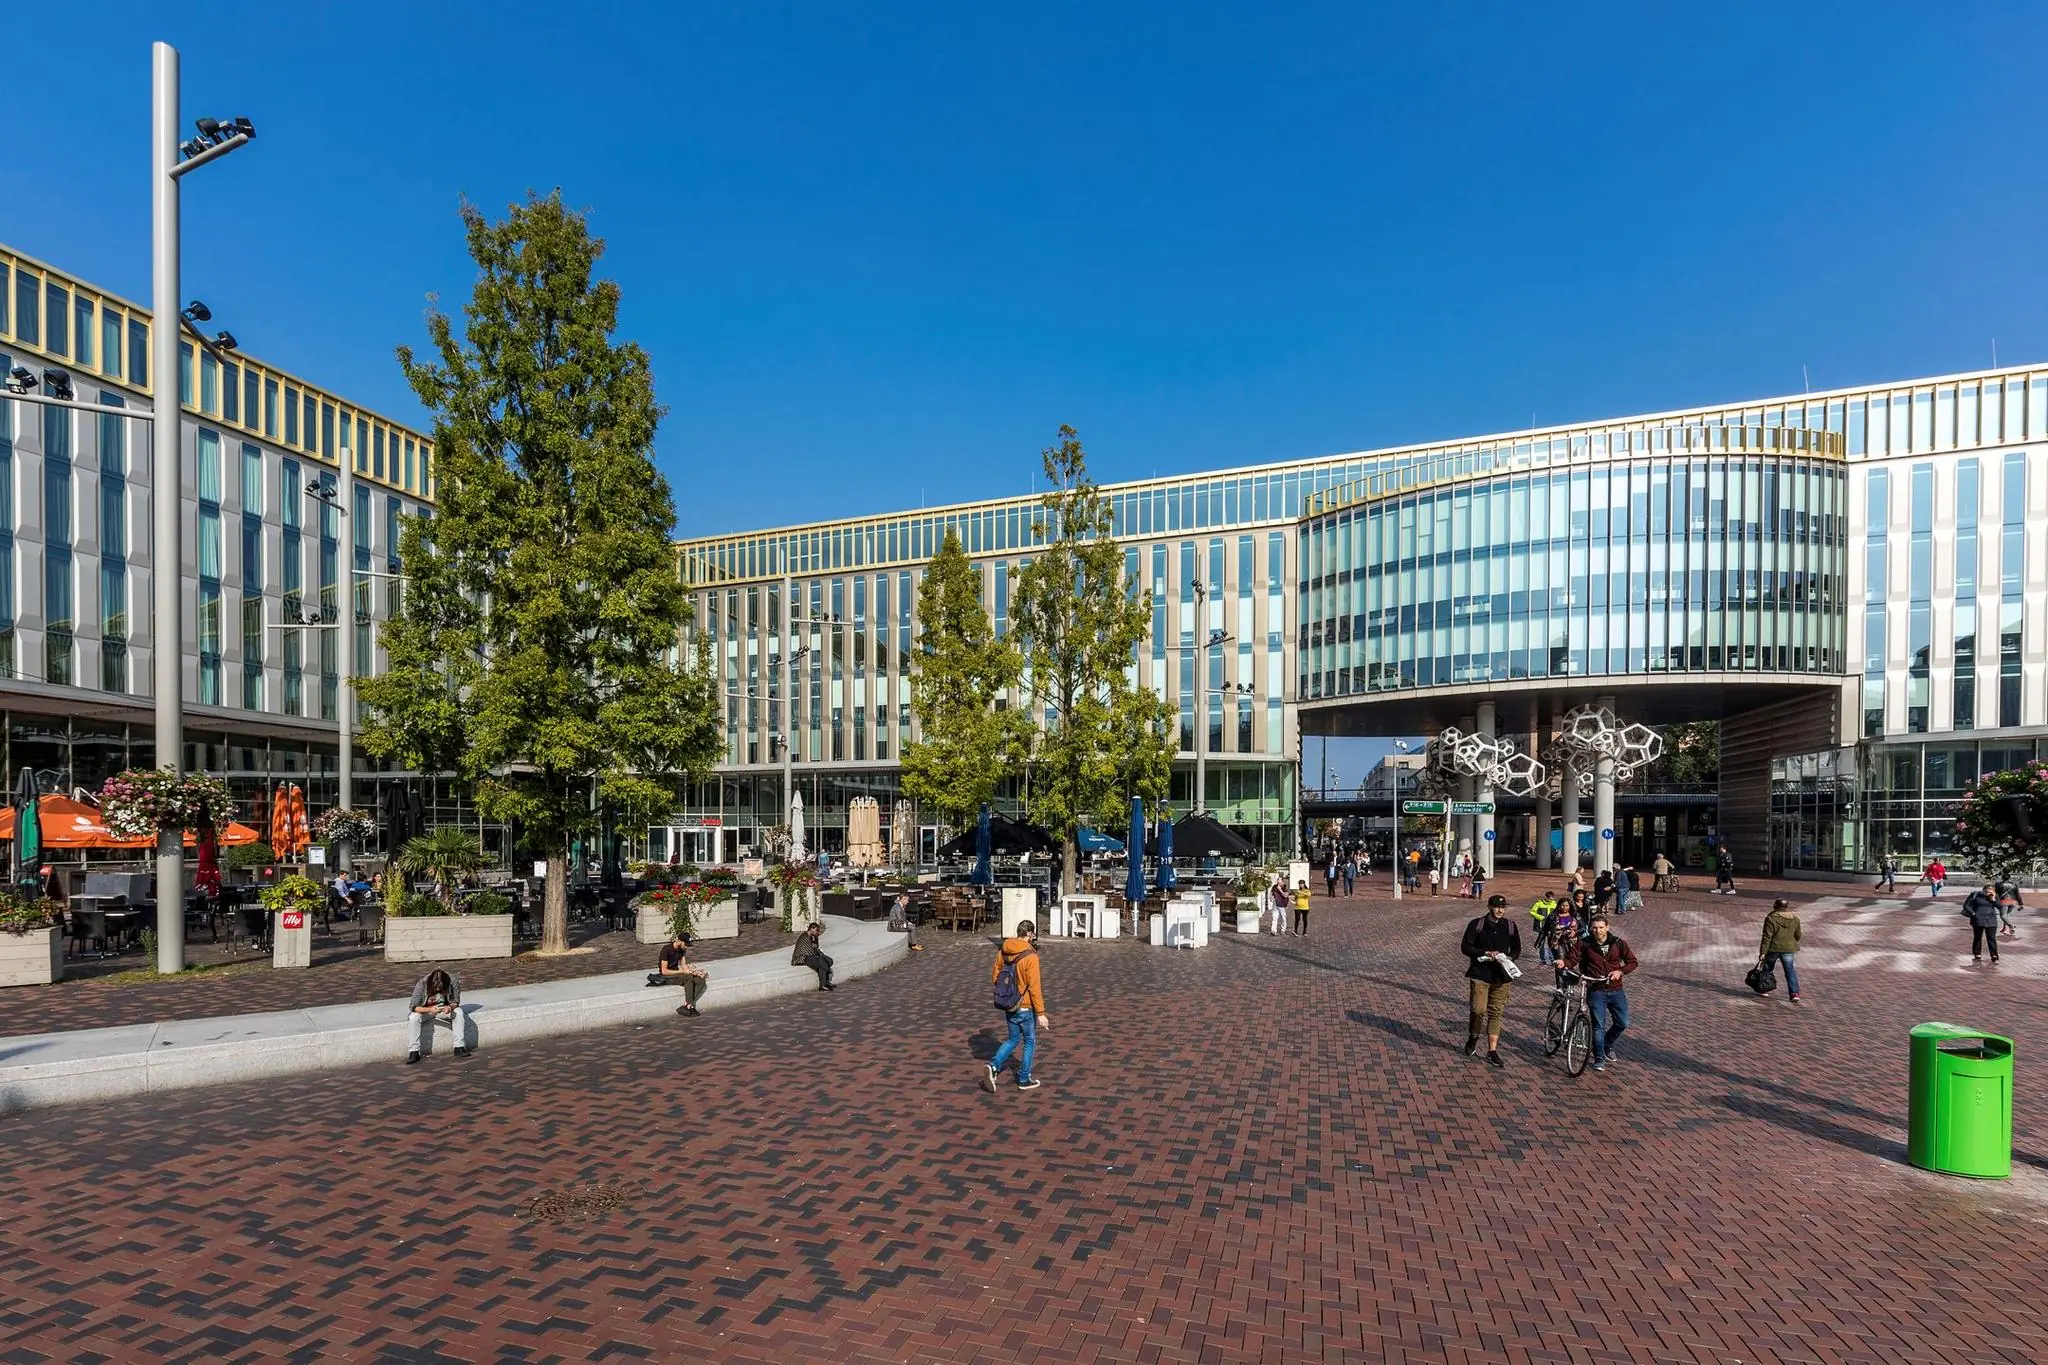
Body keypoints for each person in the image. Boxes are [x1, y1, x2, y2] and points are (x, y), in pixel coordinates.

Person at [1566, 911, 1637, 1072]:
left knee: (1623, 1022)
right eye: (1594, 928)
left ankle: (1607, 1044)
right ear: (1590, 928)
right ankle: (1599, 1057)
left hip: (1616, 989)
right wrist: (1564, 963)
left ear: (1607, 927)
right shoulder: (1584, 943)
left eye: (1601, 927)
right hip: (1595, 989)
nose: (1598, 931)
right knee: (1598, 1025)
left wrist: (1621, 971)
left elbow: (1632, 962)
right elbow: (1573, 958)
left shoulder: (1618, 943)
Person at [984, 920, 1048, 1092]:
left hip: (1008, 1003)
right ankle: (1024, 1078)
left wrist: (1007, 991)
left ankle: (994, 1066)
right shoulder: (1031, 957)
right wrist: (1041, 1012)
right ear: (1029, 934)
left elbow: (995, 976)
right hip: (1025, 1005)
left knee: (1012, 1038)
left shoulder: (1003, 951)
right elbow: (1034, 987)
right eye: (1033, 934)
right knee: (1029, 1041)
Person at [1460, 893, 1521, 1068]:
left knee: (1496, 1012)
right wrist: (1485, 953)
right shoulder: (1477, 924)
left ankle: (1492, 1050)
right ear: (1489, 907)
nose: (1500, 910)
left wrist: (1508, 958)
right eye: (1496, 906)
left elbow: (1517, 949)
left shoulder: (1510, 926)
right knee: (1478, 1010)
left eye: (1503, 907)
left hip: (1502, 976)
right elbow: (1466, 946)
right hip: (1480, 973)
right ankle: (1473, 1037)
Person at [405, 969, 472, 1064]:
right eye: (435, 988)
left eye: (440, 988)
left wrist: (450, 1007)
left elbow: (456, 1001)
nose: (437, 990)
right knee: (413, 1018)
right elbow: (413, 1007)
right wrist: (429, 1009)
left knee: (459, 1013)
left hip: (444, 1010)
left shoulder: (453, 981)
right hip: (427, 1011)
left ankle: (459, 1047)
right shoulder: (422, 984)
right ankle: (414, 1051)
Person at [646, 930, 709, 1015]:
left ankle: (687, 1004)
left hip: (677, 974)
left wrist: (694, 972)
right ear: (680, 942)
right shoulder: (666, 950)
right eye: (686, 945)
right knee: (688, 978)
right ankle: (690, 1005)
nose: (687, 947)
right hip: (667, 976)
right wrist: (684, 972)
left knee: (700, 980)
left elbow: (684, 966)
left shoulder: (682, 950)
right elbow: (664, 971)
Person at [1758, 898, 1802, 1003]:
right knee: (1789, 970)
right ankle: (1794, 993)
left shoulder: (1771, 918)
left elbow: (1767, 936)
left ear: (1776, 906)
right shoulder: (1795, 918)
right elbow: (1798, 934)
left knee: (1767, 969)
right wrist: (1791, 942)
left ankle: (1764, 988)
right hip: (1789, 948)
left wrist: (1763, 952)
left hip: (1773, 948)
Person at [1962, 882, 2002, 964]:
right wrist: (1973, 913)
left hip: (1991, 920)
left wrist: (1993, 899)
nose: (1987, 894)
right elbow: (1966, 906)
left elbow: (2000, 907)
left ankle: (1994, 955)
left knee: (1991, 938)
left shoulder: (1994, 897)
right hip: (1978, 919)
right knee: (1977, 937)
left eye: (1989, 892)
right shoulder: (1976, 895)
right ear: (1983, 890)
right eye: (1986, 892)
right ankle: (1977, 953)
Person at [792, 920, 835, 989]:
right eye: (817, 930)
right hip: (802, 958)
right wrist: (820, 955)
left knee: (829, 960)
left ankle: (826, 983)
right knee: (821, 962)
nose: (818, 932)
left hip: (810, 956)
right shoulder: (804, 937)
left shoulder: (812, 937)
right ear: (811, 929)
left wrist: (816, 939)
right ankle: (823, 984)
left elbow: (815, 948)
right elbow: (810, 952)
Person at [1528, 890, 1562, 965]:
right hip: (1541, 927)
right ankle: (1542, 959)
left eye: (1552, 898)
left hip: (1551, 927)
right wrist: (1540, 917)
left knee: (1551, 943)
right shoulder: (1539, 904)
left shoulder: (1554, 904)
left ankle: (1552, 959)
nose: (1551, 900)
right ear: (1546, 897)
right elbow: (1532, 912)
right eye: (1550, 898)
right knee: (1542, 944)